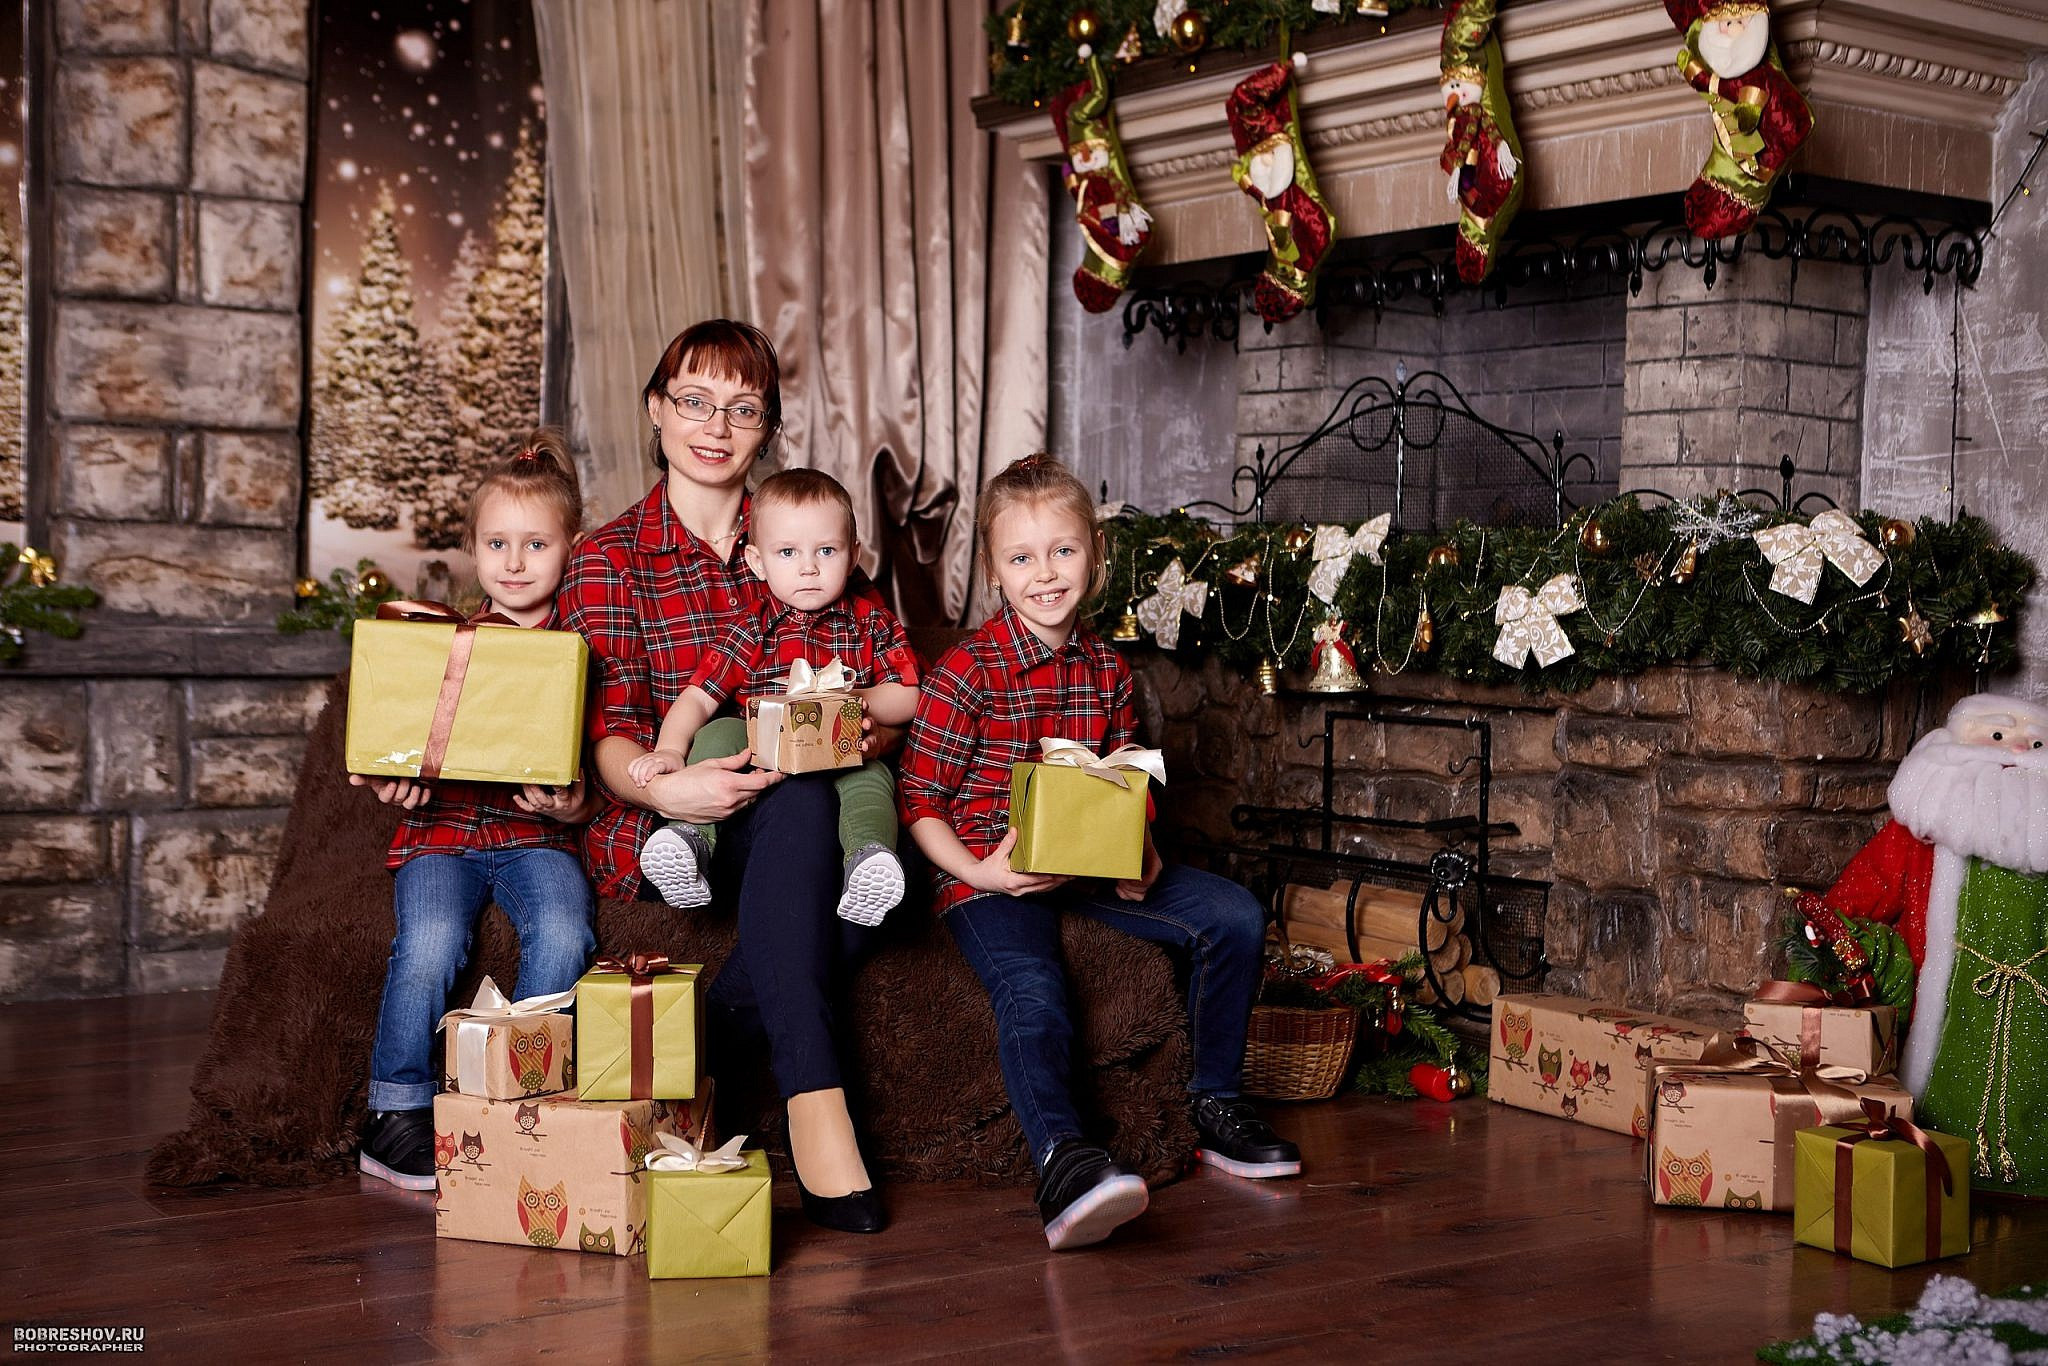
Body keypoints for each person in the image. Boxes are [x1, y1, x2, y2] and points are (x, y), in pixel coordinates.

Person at [900, 453, 1301, 1252]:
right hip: (991, 876)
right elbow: (918, 800)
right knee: (1034, 990)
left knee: (1233, 915)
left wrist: (1140, 850)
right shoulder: (966, 672)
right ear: (993, 572)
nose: (1045, 573)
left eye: (1063, 550)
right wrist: (979, 873)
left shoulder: (1107, 669)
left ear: (1095, 555)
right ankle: (1066, 1162)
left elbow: (1125, 775)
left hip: (1088, 868)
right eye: (1021, 558)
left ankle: (1214, 1103)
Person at [555, 320, 887, 1234]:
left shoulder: (807, 533)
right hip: (680, 825)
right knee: (804, 809)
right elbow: (608, 734)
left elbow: (879, 683)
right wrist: (666, 789)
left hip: (801, 802)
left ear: (767, 428)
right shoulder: (609, 558)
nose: (715, 426)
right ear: (656, 410)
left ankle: (752, 1060)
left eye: (743, 409)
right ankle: (814, 1111)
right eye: (695, 401)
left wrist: (856, 726)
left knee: (812, 794)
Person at [354, 432, 601, 1191]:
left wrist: (574, 807)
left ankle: (519, 1097)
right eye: (497, 543)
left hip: (537, 839)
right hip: (441, 834)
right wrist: (394, 778)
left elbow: (597, 762)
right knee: (430, 939)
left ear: (572, 548)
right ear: (472, 548)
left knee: (564, 929)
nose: (514, 562)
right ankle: (393, 1109)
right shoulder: (440, 643)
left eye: (536, 544)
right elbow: (392, 737)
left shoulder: (582, 649)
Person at [627, 468, 919, 926]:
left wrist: (854, 697)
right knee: (718, 730)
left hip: (839, 750)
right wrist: (668, 750)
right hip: (760, 757)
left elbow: (910, 696)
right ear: (758, 562)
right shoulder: (752, 626)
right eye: (788, 552)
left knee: (872, 775)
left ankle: (869, 861)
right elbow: (698, 697)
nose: (809, 567)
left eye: (826, 551)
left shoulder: (871, 623)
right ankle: (689, 839)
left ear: (853, 556)